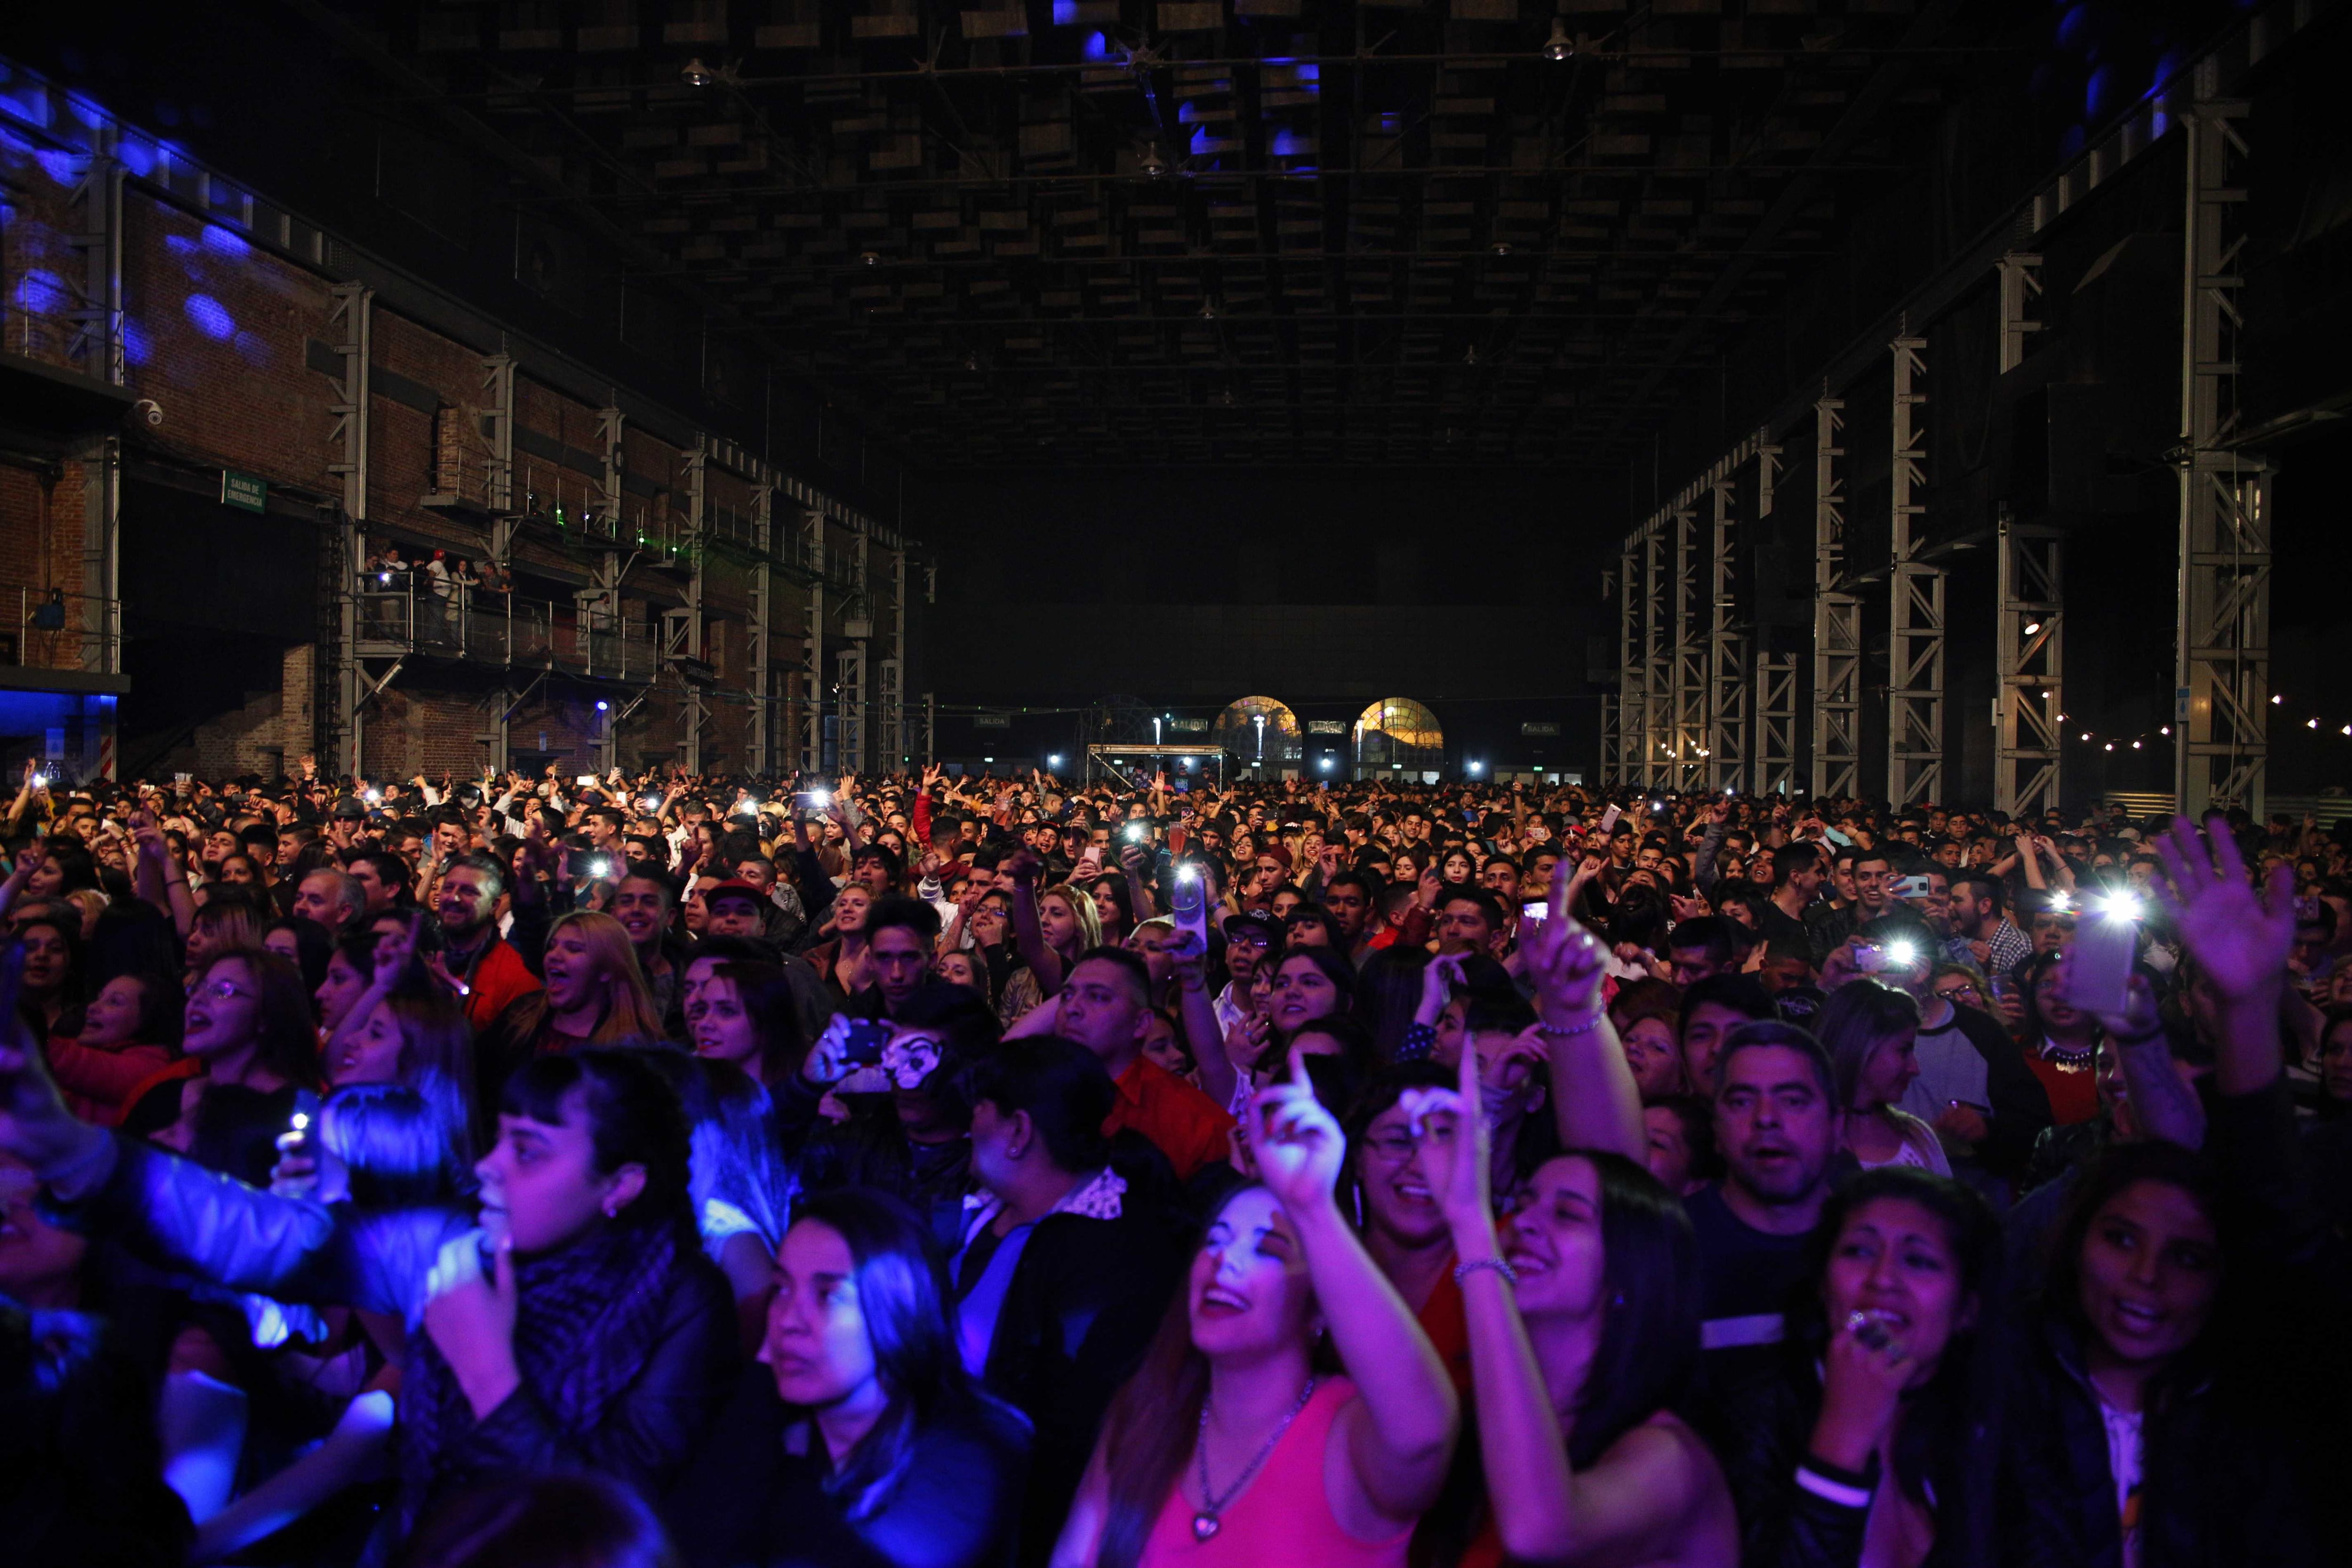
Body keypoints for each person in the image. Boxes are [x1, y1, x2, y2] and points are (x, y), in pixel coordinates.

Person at [1051, 1059, 1461, 1568]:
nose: (1226, 1260)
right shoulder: (1145, 1415)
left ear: (1319, 1310)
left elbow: (1424, 1433)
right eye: (1216, 1240)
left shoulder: (1350, 1436)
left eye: (1265, 1248)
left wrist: (1312, 1204)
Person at [1416, 1036, 1740, 1568]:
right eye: (1523, 1204)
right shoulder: (1479, 1419)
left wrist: (1472, 1230)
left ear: (1629, 1269)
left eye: (1566, 1215)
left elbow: (1540, 1532)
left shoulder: (1666, 1459)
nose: (1523, 1223)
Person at [671, 1187, 1031, 1568]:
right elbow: (683, 1545)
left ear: (897, 1307)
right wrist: (762, 1376)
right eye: (781, 1288)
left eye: (827, 1295)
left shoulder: (973, 1449)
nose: (789, 1318)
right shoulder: (776, 1418)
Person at [955, 1038, 1186, 1558]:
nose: (969, 1126)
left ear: (1017, 1131)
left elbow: (1071, 1445)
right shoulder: (992, 1212)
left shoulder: (1111, 1258)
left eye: (980, 1111)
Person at [1722, 1168, 2002, 1568]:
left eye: (1919, 1260)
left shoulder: (1997, 1419)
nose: (1883, 1279)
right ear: (1822, 1283)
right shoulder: (1748, 1416)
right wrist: (1843, 1435)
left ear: (1968, 1310)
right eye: (1859, 1251)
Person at [1682, 1021, 1845, 1399]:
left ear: (1837, 1127)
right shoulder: (1668, 1246)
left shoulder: (1877, 1257)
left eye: (1793, 1100)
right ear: (1716, 1131)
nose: (1766, 1117)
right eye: (1741, 1101)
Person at [1817, 980, 1951, 1175]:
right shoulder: (1807, 1139)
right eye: (1903, 1050)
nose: (1914, 1068)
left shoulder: (1917, 1136)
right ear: (1860, 1046)